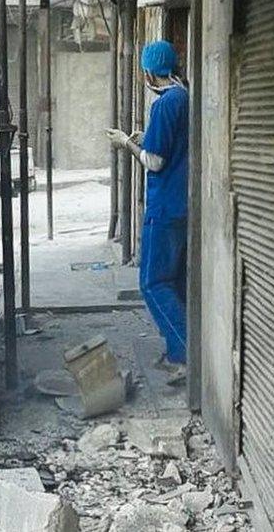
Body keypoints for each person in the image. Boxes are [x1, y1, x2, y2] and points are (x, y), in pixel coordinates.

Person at [106, 40, 189, 372]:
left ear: (149, 73)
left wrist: (125, 143)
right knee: (175, 281)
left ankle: (183, 354)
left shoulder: (166, 104)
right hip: (183, 206)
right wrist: (145, 137)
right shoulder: (185, 97)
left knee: (153, 283)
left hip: (165, 207)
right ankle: (178, 348)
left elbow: (154, 162)